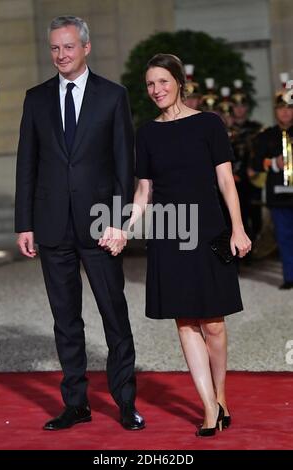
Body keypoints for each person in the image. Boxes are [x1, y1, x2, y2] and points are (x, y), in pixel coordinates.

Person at [15, 15, 145, 431]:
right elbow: (26, 165)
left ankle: (125, 402)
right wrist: (25, 223)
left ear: (86, 48)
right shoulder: (35, 99)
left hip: (100, 226)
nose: (61, 55)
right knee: (65, 320)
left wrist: (119, 222)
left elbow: (125, 164)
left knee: (114, 314)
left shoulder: (113, 96)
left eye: (68, 46)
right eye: (55, 48)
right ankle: (76, 404)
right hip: (52, 227)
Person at [129, 53, 251, 437]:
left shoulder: (208, 125)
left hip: (209, 230)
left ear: (179, 82)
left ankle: (221, 395)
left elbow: (226, 182)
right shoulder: (146, 133)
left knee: (214, 323)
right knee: (185, 322)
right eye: (150, 84)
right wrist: (123, 225)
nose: (156, 90)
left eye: (163, 81)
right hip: (169, 234)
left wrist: (238, 229)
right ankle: (209, 408)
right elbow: (143, 192)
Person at [252, 76, 293, 289]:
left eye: (289, 107)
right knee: (284, 236)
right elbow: (257, 163)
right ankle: (289, 276)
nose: (285, 112)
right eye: (281, 108)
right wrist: (274, 163)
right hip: (278, 194)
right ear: (275, 111)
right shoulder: (267, 136)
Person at [230, 80, 264, 246]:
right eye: (236, 106)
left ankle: (255, 242)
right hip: (233, 179)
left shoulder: (257, 128)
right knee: (239, 214)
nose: (239, 109)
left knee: (255, 215)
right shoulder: (224, 129)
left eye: (243, 106)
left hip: (252, 177)